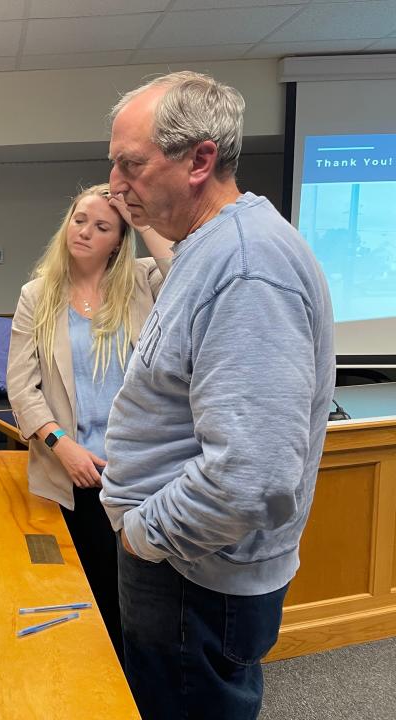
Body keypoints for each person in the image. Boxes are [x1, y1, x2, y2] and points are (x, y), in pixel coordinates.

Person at [102, 71, 335, 719]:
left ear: (200, 159)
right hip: (188, 566)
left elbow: (253, 476)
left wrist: (143, 534)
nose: (117, 185)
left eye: (131, 165)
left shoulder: (246, 264)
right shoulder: (208, 248)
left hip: (192, 574)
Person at [6, 183, 172, 660]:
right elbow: (21, 387)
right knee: (89, 595)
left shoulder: (143, 281)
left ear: (119, 239)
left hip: (137, 472)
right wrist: (61, 444)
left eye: (102, 226)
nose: (85, 231)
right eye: (79, 219)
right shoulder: (37, 295)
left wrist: (139, 216)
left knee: (142, 602)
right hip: (73, 471)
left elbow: (188, 274)